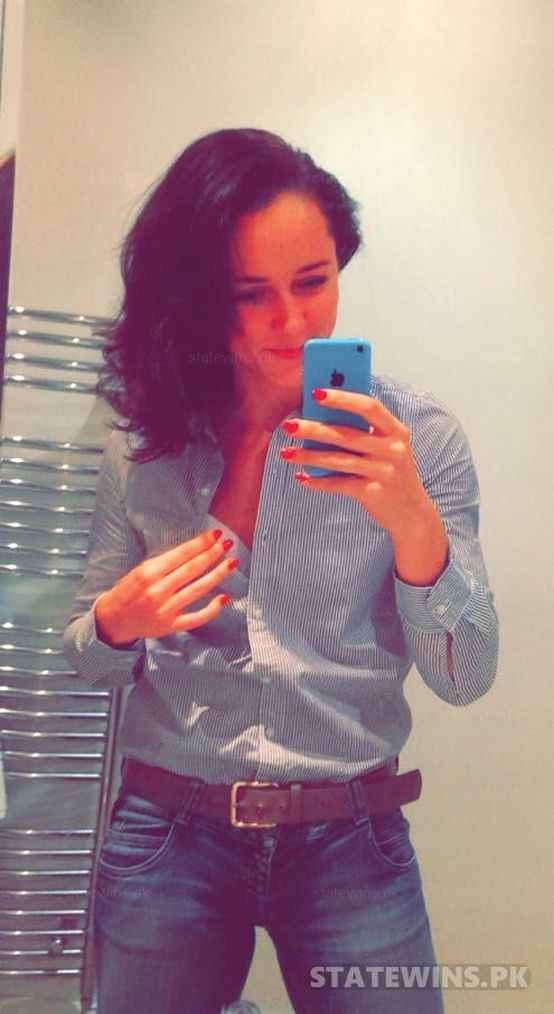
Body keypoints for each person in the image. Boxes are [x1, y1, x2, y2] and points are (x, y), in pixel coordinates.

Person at [63, 128, 499, 1014]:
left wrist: (411, 519)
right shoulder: (145, 441)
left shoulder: (419, 442)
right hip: (169, 832)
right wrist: (116, 622)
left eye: (313, 281)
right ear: (197, 296)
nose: (293, 322)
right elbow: (86, 655)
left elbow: (467, 676)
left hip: (351, 838)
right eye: (250, 294)